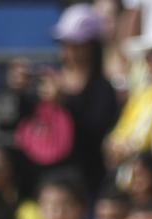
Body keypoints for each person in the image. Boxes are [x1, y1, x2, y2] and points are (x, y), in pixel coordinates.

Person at [8, 4, 120, 200]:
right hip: (43, 184)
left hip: (85, 189)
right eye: (65, 43)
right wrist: (21, 92)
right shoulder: (48, 79)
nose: (70, 51)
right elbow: (25, 124)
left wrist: (65, 103)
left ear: (92, 45)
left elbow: (96, 134)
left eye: (77, 44)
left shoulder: (103, 89)